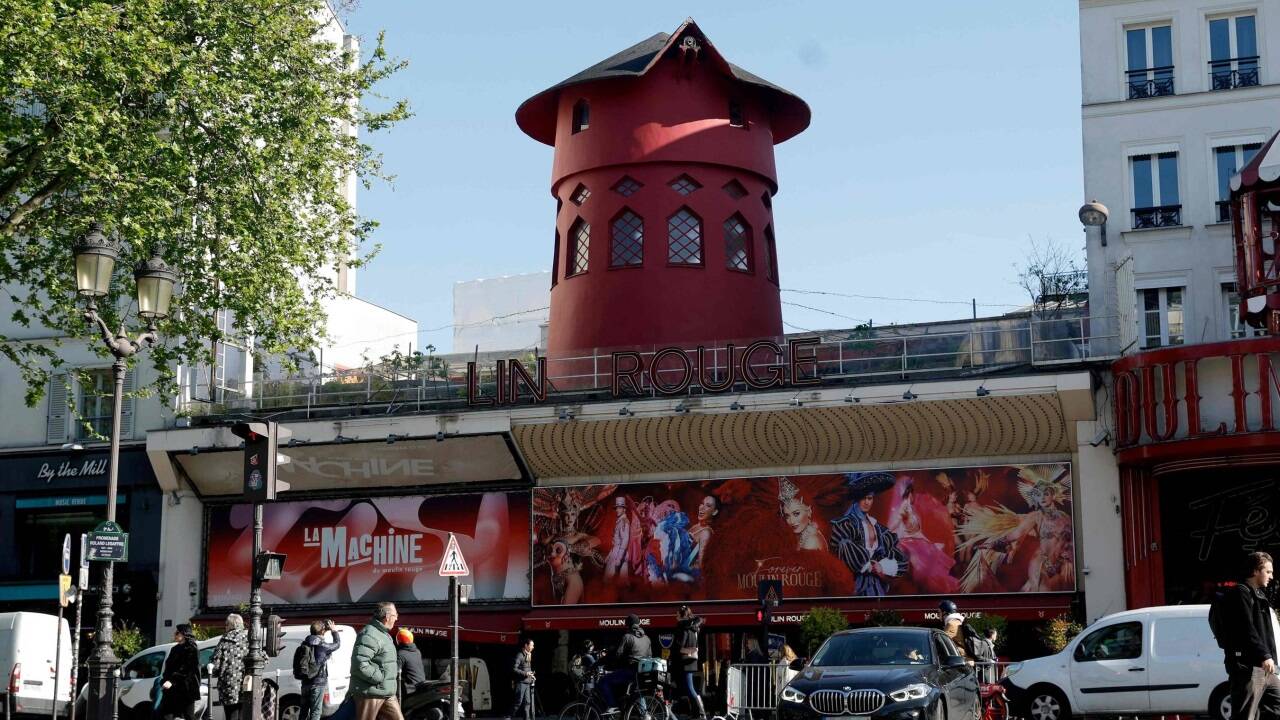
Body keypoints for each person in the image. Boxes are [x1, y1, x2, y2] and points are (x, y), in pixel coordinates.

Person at [1218, 551, 1280, 720]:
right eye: (1268, 571)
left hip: (1266, 668)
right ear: (1255, 571)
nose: (1271, 576)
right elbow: (1246, 629)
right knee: (1245, 715)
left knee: (1276, 707)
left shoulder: (1258, 594)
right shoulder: (1240, 593)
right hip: (1248, 668)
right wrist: (1264, 655)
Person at [829, 473, 908, 596]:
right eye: (863, 498)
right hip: (854, 587)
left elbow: (900, 560)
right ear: (856, 499)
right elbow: (843, 551)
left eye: (870, 498)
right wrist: (870, 566)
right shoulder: (844, 525)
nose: (866, 502)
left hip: (877, 587)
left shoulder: (880, 529)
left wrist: (882, 567)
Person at [351, 602, 404, 720]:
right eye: (395, 615)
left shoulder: (383, 634)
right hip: (370, 693)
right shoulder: (369, 634)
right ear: (387, 617)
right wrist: (379, 678)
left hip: (387, 692)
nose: (397, 618)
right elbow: (359, 663)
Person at [601, 615, 652, 714]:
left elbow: (617, 655)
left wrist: (608, 665)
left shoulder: (627, 637)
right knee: (638, 693)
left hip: (630, 671)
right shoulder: (647, 638)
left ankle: (612, 706)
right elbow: (650, 656)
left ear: (628, 625)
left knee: (604, 681)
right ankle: (644, 714)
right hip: (642, 672)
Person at [158, 624, 200, 720]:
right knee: (166, 715)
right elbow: (168, 668)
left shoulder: (192, 649)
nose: (175, 634)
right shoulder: (174, 649)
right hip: (171, 689)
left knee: (188, 715)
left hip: (186, 688)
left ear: (184, 634)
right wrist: (164, 680)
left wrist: (172, 681)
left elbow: (188, 669)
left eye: (177, 632)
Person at [210, 615, 249, 720]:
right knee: (241, 713)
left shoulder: (225, 639)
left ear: (230, 625)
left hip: (228, 683)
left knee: (230, 714)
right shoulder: (248, 639)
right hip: (246, 682)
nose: (225, 627)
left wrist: (213, 670)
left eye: (226, 624)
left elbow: (216, 663)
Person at [301, 619, 342, 720]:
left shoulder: (304, 644)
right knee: (315, 712)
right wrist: (333, 630)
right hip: (318, 683)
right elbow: (337, 644)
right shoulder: (322, 646)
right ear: (322, 631)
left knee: (303, 712)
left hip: (305, 682)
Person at [676, 606, 707, 720]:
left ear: (682, 615)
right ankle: (695, 713)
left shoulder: (684, 628)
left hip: (686, 661)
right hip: (692, 660)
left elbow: (681, 647)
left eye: (677, 615)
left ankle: (701, 713)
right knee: (689, 688)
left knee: (690, 688)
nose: (676, 617)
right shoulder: (694, 628)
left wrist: (680, 648)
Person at [778, 477, 825, 551]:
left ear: (809, 511)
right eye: (787, 516)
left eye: (796, 514)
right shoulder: (801, 536)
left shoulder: (811, 541)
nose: (792, 521)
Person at [605, 496, 632, 579]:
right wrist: (609, 554)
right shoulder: (620, 521)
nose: (617, 510)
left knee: (610, 581)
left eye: (619, 508)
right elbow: (616, 541)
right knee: (619, 582)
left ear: (624, 509)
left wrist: (619, 558)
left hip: (619, 555)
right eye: (616, 508)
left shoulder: (624, 522)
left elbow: (625, 540)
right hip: (616, 553)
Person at [508, 637, 535, 720]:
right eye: (531, 645)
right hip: (521, 682)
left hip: (527, 682)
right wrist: (525, 673)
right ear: (526, 645)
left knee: (528, 703)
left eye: (533, 645)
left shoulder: (529, 654)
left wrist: (532, 675)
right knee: (518, 702)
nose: (533, 647)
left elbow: (527, 668)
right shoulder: (520, 655)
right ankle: (509, 716)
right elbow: (514, 669)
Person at [395, 629, 426, 697]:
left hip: (409, 689)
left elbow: (395, 673)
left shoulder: (400, 654)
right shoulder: (417, 651)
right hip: (421, 684)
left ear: (398, 640)